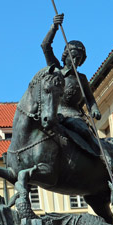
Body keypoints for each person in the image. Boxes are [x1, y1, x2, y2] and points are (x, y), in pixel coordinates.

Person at [41, 13, 103, 157]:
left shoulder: (81, 79)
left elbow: (90, 99)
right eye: (72, 57)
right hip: (54, 113)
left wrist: (94, 109)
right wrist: (54, 27)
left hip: (74, 115)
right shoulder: (56, 69)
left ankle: (101, 157)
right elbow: (45, 46)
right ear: (65, 56)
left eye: (78, 59)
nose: (75, 61)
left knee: (85, 133)